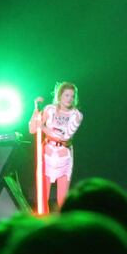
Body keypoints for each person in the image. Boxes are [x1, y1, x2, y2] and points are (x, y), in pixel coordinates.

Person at [28, 82, 82, 213]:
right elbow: (32, 129)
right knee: (42, 197)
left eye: (72, 96)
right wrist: (36, 110)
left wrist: (43, 127)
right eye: (66, 95)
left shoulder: (76, 115)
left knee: (62, 199)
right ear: (59, 96)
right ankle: (44, 222)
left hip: (64, 158)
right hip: (47, 156)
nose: (69, 99)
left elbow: (65, 137)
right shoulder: (49, 109)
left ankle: (63, 223)